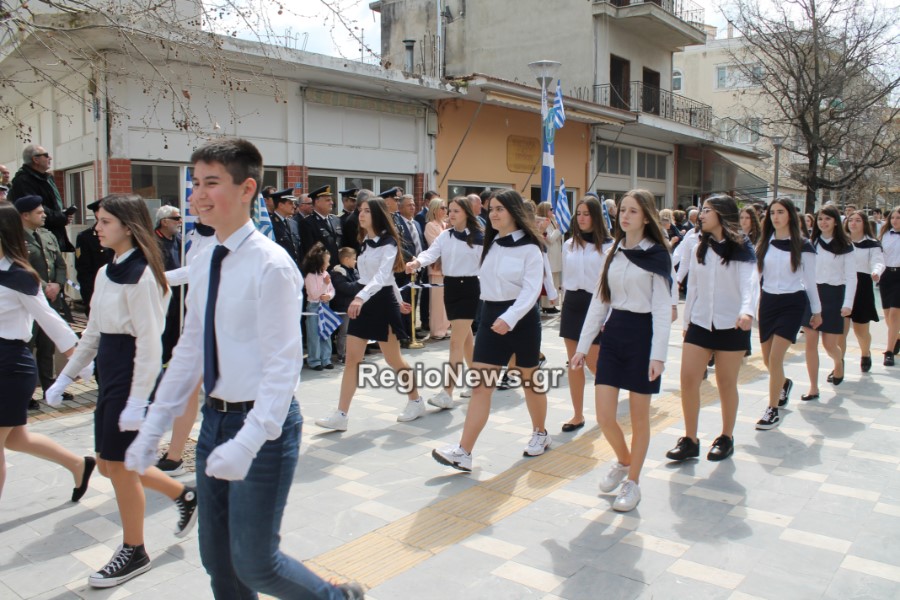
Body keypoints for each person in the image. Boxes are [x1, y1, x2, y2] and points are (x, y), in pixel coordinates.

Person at [124, 140, 363, 599]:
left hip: (263, 426)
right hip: (215, 421)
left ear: (247, 188)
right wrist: (153, 426)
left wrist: (249, 441)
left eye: (211, 183)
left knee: (256, 564)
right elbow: (190, 349)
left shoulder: (271, 265)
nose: (198, 195)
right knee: (219, 563)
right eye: (196, 183)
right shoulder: (204, 257)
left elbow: (283, 367)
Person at [44, 194, 197, 588]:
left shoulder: (143, 275)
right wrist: (65, 377)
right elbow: (93, 333)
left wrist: (138, 400)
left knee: (122, 467)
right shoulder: (106, 270)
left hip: (132, 375)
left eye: (105, 221)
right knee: (108, 463)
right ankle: (182, 494)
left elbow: (149, 345)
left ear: (128, 226)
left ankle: (135, 550)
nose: (97, 228)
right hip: (111, 374)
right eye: (98, 221)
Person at [432, 189, 551, 472]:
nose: (494, 214)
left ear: (514, 212)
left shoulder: (531, 248)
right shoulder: (492, 242)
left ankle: (540, 432)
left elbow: (531, 290)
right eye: (492, 209)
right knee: (481, 386)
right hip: (490, 317)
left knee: (529, 381)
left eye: (500, 209)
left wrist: (510, 317)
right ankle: (463, 452)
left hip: (521, 319)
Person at [571, 189, 673, 512]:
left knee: (640, 419)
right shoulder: (612, 252)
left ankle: (634, 482)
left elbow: (662, 308)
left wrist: (658, 355)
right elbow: (599, 302)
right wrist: (583, 346)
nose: (625, 216)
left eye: (633, 211)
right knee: (604, 416)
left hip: (643, 336)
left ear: (646, 217)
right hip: (614, 333)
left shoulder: (658, 255)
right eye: (623, 210)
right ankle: (624, 460)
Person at [0, 202, 95, 502]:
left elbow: (50, 320)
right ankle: (78, 465)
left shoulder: (20, 276)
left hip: (10, 367)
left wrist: (77, 361)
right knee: (16, 439)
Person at [316, 197, 422, 431]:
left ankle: (415, 400)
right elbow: (375, 277)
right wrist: (398, 299)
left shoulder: (389, 243)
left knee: (393, 359)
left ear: (377, 215)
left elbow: (384, 276)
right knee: (352, 360)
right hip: (366, 301)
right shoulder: (365, 242)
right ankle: (341, 415)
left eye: (366, 211)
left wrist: (365, 298)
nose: (361, 215)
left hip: (380, 303)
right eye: (360, 210)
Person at [666, 195, 758, 463]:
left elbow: (750, 283)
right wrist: (687, 322)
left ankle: (726, 437)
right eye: (702, 210)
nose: (702, 215)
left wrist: (747, 311)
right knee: (688, 379)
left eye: (707, 211)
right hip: (701, 322)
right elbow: (693, 287)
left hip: (732, 323)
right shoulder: (699, 246)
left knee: (726, 383)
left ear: (722, 214)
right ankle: (690, 440)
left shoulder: (742, 247)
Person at [155, 215, 218, 476]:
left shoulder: (233, 243)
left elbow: (194, 271)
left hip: (225, 331)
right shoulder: (193, 239)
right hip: (198, 326)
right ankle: (175, 456)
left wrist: (155, 276)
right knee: (187, 390)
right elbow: (192, 271)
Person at [406, 196, 484, 408]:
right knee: (465, 339)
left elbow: (489, 264)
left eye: (456, 211)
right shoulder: (445, 235)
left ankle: (447, 393)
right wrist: (417, 262)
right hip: (450, 287)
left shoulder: (478, 237)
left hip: (469, 288)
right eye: (450, 210)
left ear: (467, 213)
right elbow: (431, 253)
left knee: (455, 341)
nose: (451, 214)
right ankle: (478, 382)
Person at [755, 199, 821, 430]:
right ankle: (783, 384)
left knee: (775, 359)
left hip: (792, 303)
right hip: (768, 303)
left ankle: (772, 410)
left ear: (790, 215)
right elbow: (755, 278)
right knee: (767, 360)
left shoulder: (803, 246)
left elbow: (810, 282)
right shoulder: (764, 243)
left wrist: (817, 311)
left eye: (780, 212)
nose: (775, 217)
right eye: (772, 213)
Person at [559, 197, 613, 432]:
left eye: (586, 214)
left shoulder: (610, 246)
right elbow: (565, 277)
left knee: (594, 363)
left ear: (596, 216)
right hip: (572, 303)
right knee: (574, 363)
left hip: (597, 304)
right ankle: (577, 414)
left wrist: (607, 315)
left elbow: (611, 283)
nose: (581, 218)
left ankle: (608, 410)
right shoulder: (569, 244)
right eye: (578, 213)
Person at [17, 195, 71, 406]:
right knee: (27, 347)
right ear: (25, 215)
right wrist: (43, 286)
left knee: (48, 347)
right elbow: (20, 267)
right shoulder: (14, 239)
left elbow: (60, 264)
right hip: (30, 301)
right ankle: (26, 393)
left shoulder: (48, 235)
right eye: (39, 212)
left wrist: (58, 284)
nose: (44, 215)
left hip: (52, 300)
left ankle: (50, 388)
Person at [800, 205, 856, 400]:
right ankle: (813, 387)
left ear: (836, 222)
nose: (823, 222)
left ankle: (838, 363)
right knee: (810, 342)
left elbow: (851, 277)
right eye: (820, 219)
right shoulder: (810, 243)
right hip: (811, 294)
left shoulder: (845, 245)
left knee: (829, 345)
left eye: (828, 219)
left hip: (834, 295)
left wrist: (848, 303)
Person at [8, 144, 74, 251]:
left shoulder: (47, 178)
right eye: (46, 155)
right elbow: (34, 208)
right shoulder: (23, 181)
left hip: (55, 234)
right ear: (35, 159)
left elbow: (53, 202)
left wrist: (64, 212)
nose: (50, 158)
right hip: (38, 238)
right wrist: (61, 217)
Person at [843, 210, 884, 373]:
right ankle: (839, 364)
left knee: (861, 330)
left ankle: (865, 353)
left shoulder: (872, 244)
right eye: (850, 220)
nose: (853, 223)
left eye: (858, 220)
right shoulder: (841, 241)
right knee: (841, 330)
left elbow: (878, 262)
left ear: (864, 223)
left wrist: (876, 272)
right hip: (842, 285)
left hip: (862, 286)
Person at [154, 205, 183, 364]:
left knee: (176, 334)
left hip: (180, 296)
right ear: (164, 222)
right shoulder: (152, 241)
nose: (180, 221)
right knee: (163, 334)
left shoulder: (179, 239)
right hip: (161, 296)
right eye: (176, 218)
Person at [75, 200, 114, 315]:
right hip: (97, 293)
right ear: (97, 214)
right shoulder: (86, 237)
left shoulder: (117, 234)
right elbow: (84, 272)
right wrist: (90, 300)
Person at [303, 242, 336, 371]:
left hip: (325, 306)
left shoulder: (326, 274)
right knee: (314, 335)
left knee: (326, 333)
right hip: (314, 307)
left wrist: (329, 296)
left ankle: (326, 359)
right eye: (327, 261)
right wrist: (324, 285)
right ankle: (314, 361)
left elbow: (332, 290)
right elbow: (314, 294)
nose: (329, 264)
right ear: (319, 262)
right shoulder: (310, 276)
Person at [422, 197, 450, 339]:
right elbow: (435, 246)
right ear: (434, 210)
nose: (445, 210)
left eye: (446, 208)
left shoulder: (446, 225)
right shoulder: (430, 225)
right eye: (442, 208)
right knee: (437, 302)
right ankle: (437, 330)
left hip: (449, 268)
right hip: (437, 268)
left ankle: (445, 327)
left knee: (446, 300)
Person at [330, 247, 361, 364]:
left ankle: (354, 353)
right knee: (344, 332)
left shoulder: (355, 271)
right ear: (347, 259)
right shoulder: (337, 273)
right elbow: (346, 288)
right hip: (344, 307)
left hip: (355, 306)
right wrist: (360, 284)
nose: (355, 261)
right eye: (354, 259)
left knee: (355, 332)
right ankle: (342, 354)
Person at [879, 206, 900, 366]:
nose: (894, 220)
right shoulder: (884, 235)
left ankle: (889, 352)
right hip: (886, 276)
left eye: (898, 218)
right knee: (887, 315)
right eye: (892, 217)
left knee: (894, 314)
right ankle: (896, 338)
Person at [303, 185, 342, 268]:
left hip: (338, 268)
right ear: (317, 202)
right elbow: (310, 251)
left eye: (331, 200)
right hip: (321, 269)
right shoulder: (308, 223)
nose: (331, 202)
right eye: (328, 200)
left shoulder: (336, 220)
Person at [536, 201, 563, 314]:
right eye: (550, 209)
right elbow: (550, 239)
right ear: (545, 210)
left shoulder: (552, 221)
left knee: (555, 281)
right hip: (550, 255)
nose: (553, 211)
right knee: (549, 280)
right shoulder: (543, 223)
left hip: (556, 255)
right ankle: (547, 306)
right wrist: (558, 230)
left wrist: (557, 226)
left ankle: (553, 304)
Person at [269, 187, 304, 270]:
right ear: (281, 205)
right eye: (290, 203)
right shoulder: (270, 224)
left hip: (295, 269)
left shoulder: (293, 223)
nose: (294, 206)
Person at [340, 189, 362, 253]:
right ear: (345, 201)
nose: (355, 203)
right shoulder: (339, 218)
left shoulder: (359, 216)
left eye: (356, 201)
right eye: (353, 201)